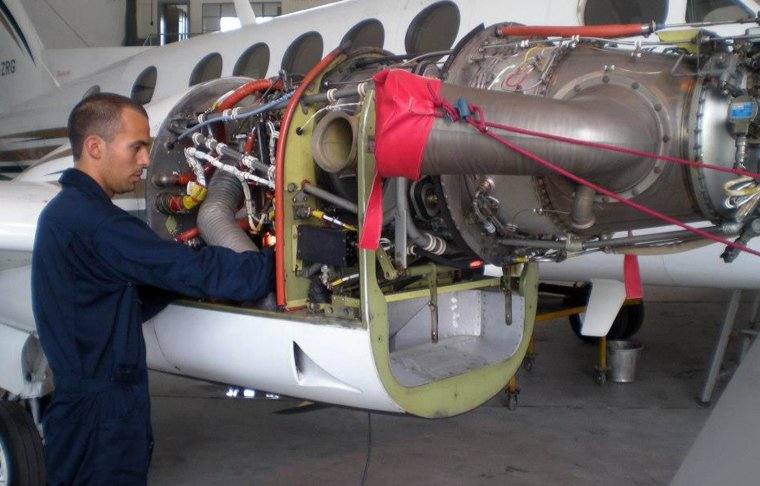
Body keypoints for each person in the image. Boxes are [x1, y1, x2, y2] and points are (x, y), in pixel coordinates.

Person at [31, 93, 273, 485]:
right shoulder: (97, 223)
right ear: (95, 147)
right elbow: (187, 269)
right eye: (137, 147)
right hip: (102, 421)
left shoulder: (67, 212)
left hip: (92, 410)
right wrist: (267, 266)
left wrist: (176, 279)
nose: (146, 160)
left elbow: (124, 298)